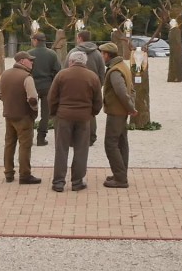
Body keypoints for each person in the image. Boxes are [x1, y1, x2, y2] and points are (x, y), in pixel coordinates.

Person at [48, 51, 103, 192]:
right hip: (83, 117)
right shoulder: (92, 77)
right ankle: (77, 182)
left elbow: (52, 97)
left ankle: (58, 182)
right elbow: (98, 101)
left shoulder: (61, 75)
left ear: (70, 61)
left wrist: (54, 113)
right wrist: (91, 113)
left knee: (61, 149)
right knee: (81, 150)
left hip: (64, 116)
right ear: (84, 62)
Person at [0, 51, 41, 184]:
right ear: (22, 61)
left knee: (9, 144)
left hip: (9, 115)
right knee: (25, 145)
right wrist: (34, 111)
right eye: (30, 60)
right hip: (24, 116)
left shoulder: (5, 74)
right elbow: (32, 98)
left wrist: (8, 103)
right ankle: (25, 174)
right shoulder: (27, 77)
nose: (32, 62)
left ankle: (8, 173)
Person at [100, 42, 138, 188]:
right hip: (122, 111)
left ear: (107, 55)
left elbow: (121, 92)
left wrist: (130, 108)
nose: (101, 56)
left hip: (116, 112)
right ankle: (120, 173)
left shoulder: (114, 71)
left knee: (110, 144)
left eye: (102, 54)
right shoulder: (123, 66)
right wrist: (131, 106)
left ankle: (120, 179)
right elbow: (132, 90)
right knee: (122, 143)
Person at [69, 30, 106, 146]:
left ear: (79, 38)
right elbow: (102, 72)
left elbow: (65, 69)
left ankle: (74, 136)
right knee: (90, 112)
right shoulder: (97, 54)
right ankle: (91, 137)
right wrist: (98, 85)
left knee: (74, 109)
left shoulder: (73, 52)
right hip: (92, 86)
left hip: (74, 87)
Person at [28, 31, 61, 147]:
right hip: (48, 86)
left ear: (36, 41)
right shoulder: (52, 54)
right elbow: (58, 71)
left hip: (32, 86)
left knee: (30, 112)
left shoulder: (29, 53)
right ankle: (41, 138)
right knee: (45, 114)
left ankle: (28, 136)